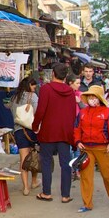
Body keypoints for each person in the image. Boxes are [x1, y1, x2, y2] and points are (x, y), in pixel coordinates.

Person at [32, 62, 77, 203]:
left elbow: (40, 111)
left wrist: (35, 125)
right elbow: (72, 114)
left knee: (46, 162)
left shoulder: (46, 89)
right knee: (65, 164)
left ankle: (46, 192)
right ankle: (65, 195)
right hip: (64, 132)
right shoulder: (70, 91)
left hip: (48, 132)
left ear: (53, 74)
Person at [73, 85, 109, 212]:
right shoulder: (82, 113)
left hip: (103, 148)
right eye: (89, 97)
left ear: (99, 98)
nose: (91, 99)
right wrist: (77, 141)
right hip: (86, 148)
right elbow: (76, 128)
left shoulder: (107, 112)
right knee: (86, 177)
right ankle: (87, 204)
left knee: (107, 175)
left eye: (94, 96)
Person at [8, 76, 40, 196]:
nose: (34, 88)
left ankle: (25, 187)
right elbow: (37, 111)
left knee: (23, 158)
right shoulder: (33, 97)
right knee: (33, 157)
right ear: (29, 86)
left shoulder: (14, 98)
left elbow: (12, 112)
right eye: (33, 86)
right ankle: (34, 181)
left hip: (19, 130)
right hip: (32, 130)